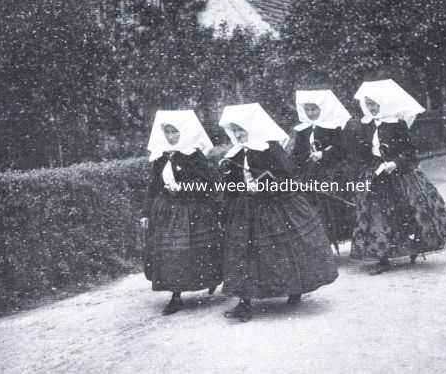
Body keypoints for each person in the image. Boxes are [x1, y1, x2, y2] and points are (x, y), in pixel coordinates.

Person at [218, 103, 338, 322]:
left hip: (275, 207)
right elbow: (232, 187)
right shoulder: (234, 155)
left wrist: (264, 187)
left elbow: (287, 178)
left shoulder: (270, 147)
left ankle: (294, 288)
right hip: (246, 210)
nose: (237, 134)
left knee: (282, 251)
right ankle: (244, 302)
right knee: (244, 254)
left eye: (241, 129)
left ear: (252, 128)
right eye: (234, 130)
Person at [348, 80, 446, 274]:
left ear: (383, 103)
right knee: (376, 216)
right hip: (375, 175)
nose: (371, 108)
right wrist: (366, 167)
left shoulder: (396, 124)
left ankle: (412, 247)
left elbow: (410, 151)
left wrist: (395, 163)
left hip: (398, 175)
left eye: (374, 104)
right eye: (368, 105)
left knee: (405, 212)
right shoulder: (365, 125)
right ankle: (382, 257)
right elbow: (362, 152)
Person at [140, 110, 223, 315]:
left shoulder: (193, 155)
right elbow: (154, 185)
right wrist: (146, 213)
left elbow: (208, 183)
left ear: (184, 132)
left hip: (193, 210)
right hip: (167, 210)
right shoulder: (160, 156)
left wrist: (184, 187)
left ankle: (210, 279)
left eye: (174, 132)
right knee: (172, 253)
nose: (170, 137)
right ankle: (176, 295)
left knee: (197, 250)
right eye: (167, 132)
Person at [291, 90, 353, 253]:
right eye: (308, 110)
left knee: (328, 205)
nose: (311, 113)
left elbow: (343, 150)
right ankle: (317, 244)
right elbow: (297, 153)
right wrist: (304, 159)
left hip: (330, 171)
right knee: (307, 206)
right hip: (308, 172)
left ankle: (330, 238)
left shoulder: (333, 127)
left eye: (314, 109)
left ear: (322, 109)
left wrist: (324, 154)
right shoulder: (302, 130)